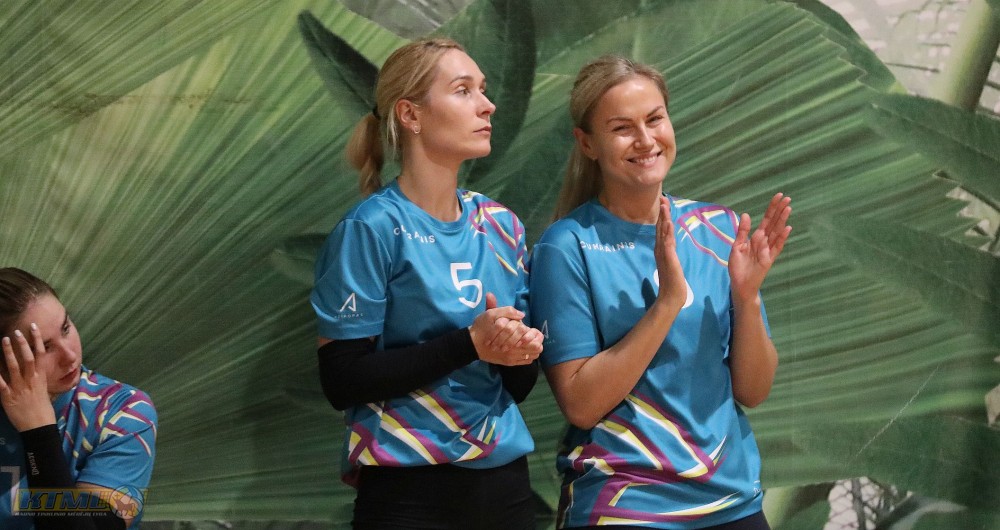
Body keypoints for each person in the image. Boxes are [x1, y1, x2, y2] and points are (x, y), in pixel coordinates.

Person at [528, 55, 792, 530]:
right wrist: (668, 302)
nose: (646, 140)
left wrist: (747, 297)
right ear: (587, 143)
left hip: (731, 502)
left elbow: (753, 391)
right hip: (626, 505)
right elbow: (581, 404)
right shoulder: (565, 247)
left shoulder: (719, 229)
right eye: (622, 128)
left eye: (654, 119)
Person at [310, 38, 543, 530]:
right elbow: (342, 380)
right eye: (463, 90)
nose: (487, 104)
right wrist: (470, 343)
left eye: (483, 88)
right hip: (408, 494)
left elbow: (516, 386)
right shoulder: (371, 228)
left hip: (505, 485)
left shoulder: (502, 226)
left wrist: (520, 352)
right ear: (410, 115)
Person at [0, 268, 157, 530]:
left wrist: (38, 431)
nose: (70, 355)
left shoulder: (123, 411)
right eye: (44, 348)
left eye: (65, 328)